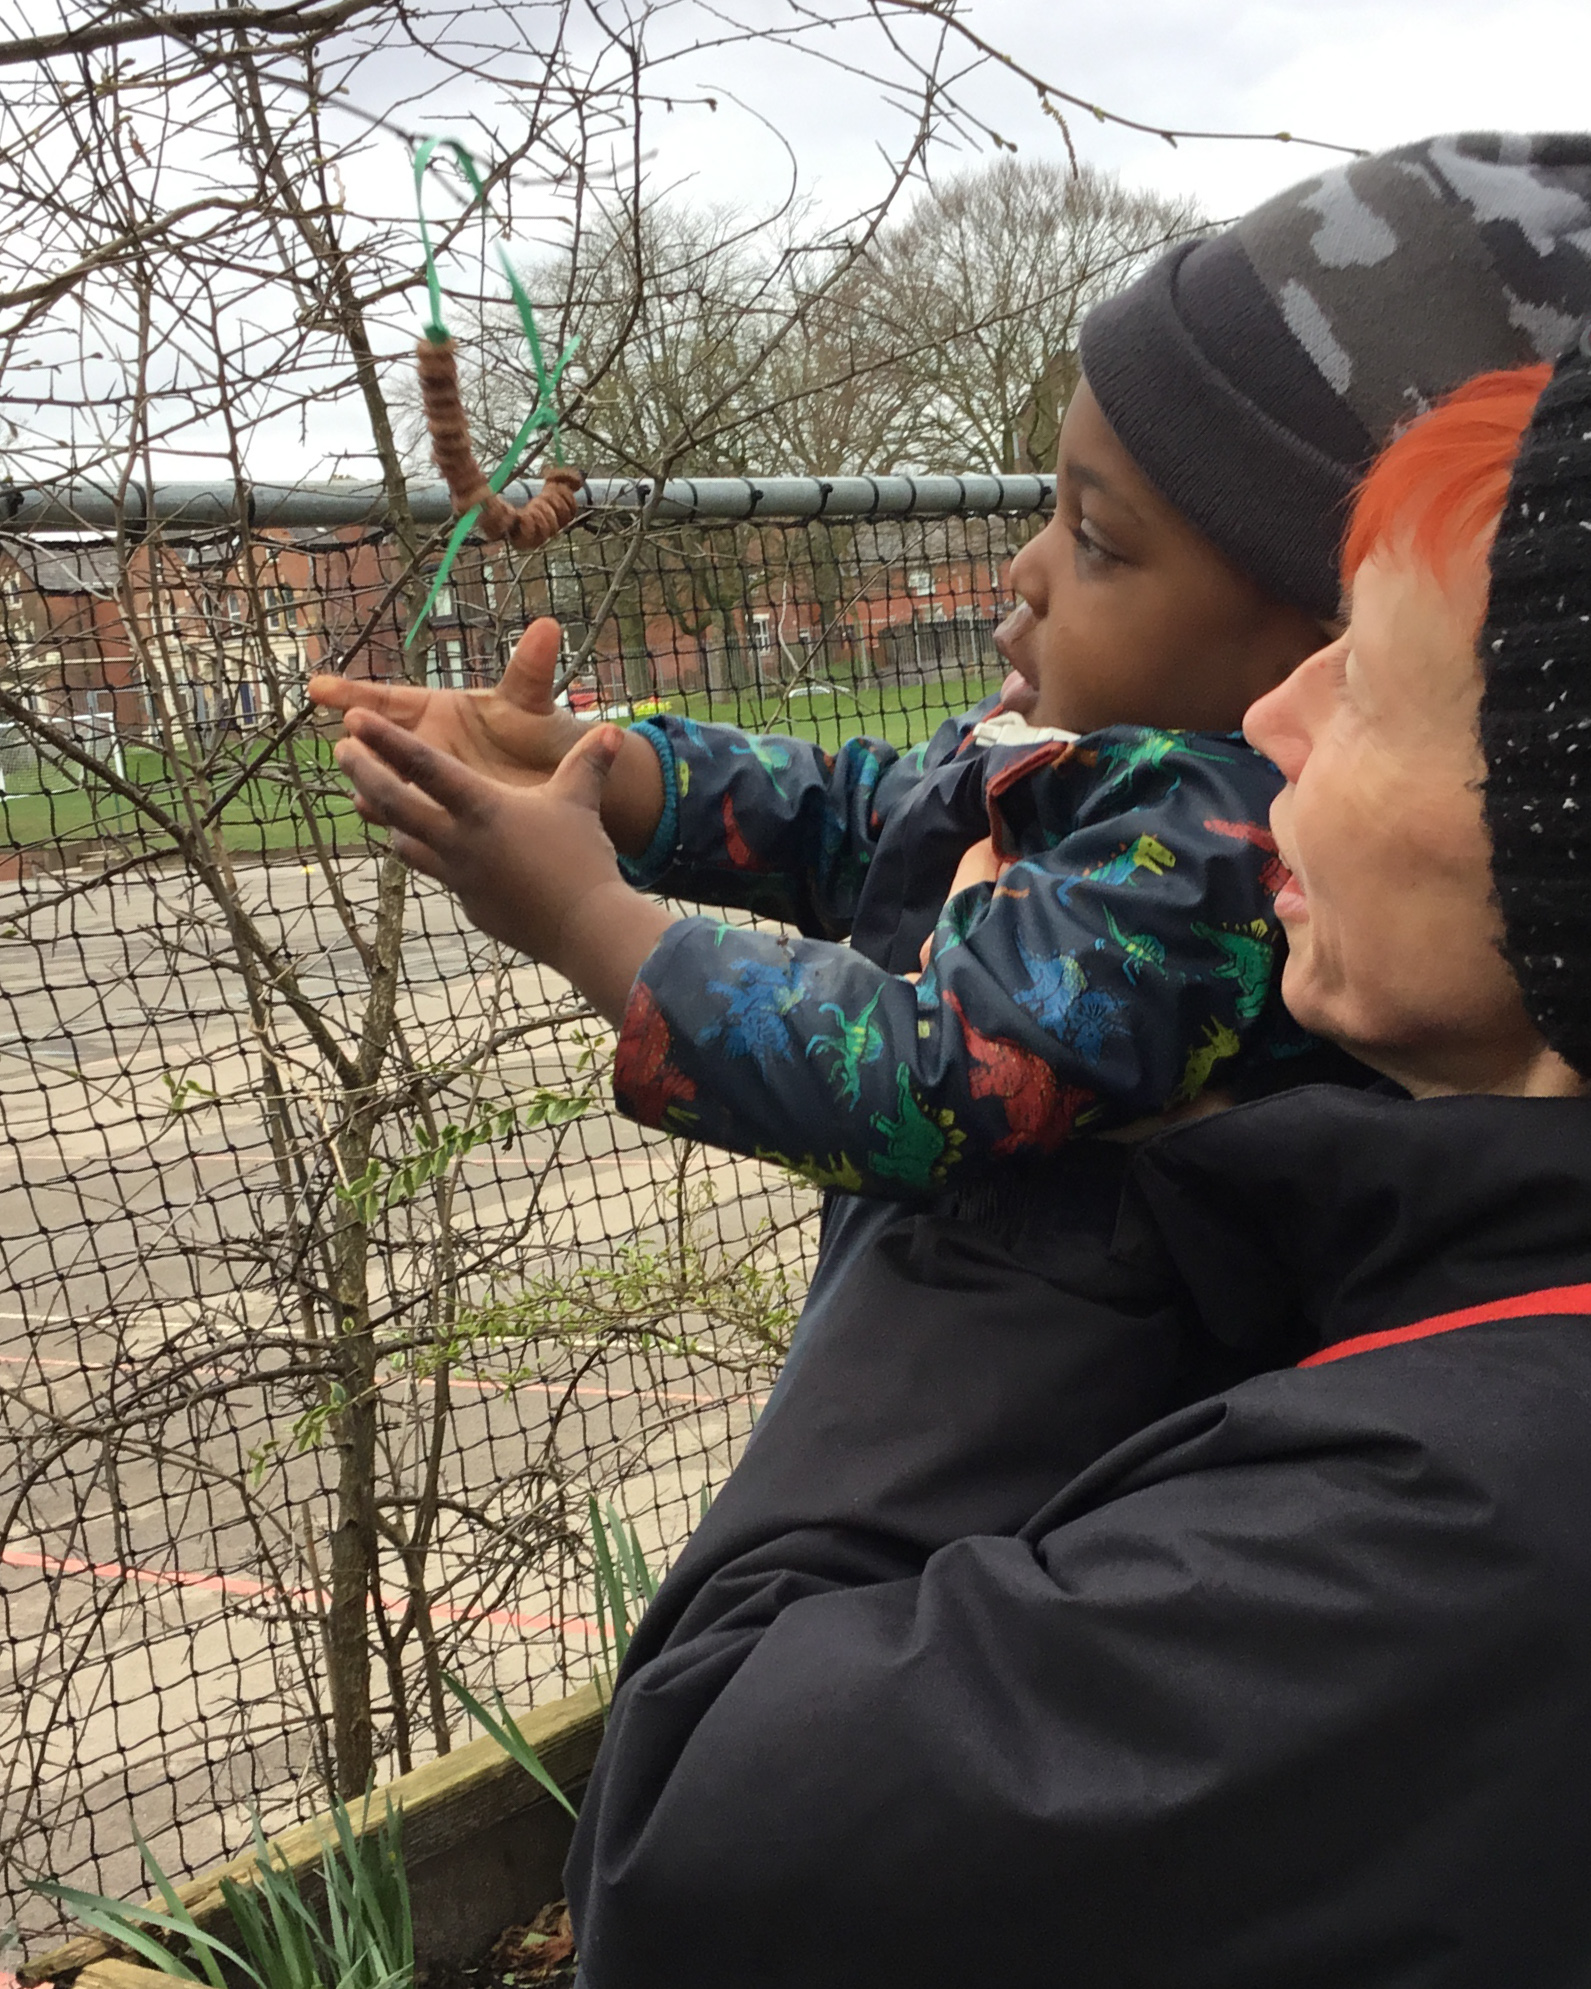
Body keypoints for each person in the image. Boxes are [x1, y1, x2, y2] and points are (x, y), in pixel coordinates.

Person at [553, 341, 1591, 1986]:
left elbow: (696, 1843)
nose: (1270, 721)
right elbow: (865, 806)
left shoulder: (1445, 1524)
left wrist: (1031, 1174)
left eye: (1368, 682)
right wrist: (629, 769)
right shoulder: (1443, 1280)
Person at [318, 134, 1591, 1195]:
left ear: (1325, 635)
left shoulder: (1214, 860)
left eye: (1096, 541)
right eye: (1049, 509)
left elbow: (931, 1080)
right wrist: (601, 765)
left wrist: (592, 924)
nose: (1024, 572)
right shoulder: (1076, 765)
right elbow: (860, 814)